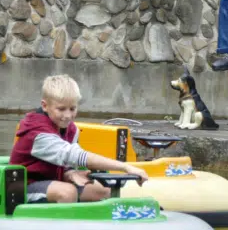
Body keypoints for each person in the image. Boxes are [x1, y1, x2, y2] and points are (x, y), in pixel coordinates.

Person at [10, 75, 149, 203]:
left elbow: (67, 162)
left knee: (104, 190)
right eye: (61, 109)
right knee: (67, 192)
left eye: (72, 109)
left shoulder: (71, 129)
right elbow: (75, 155)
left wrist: (70, 173)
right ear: (45, 106)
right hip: (21, 188)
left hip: (52, 181)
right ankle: (65, 229)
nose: (68, 115)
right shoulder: (38, 133)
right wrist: (125, 167)